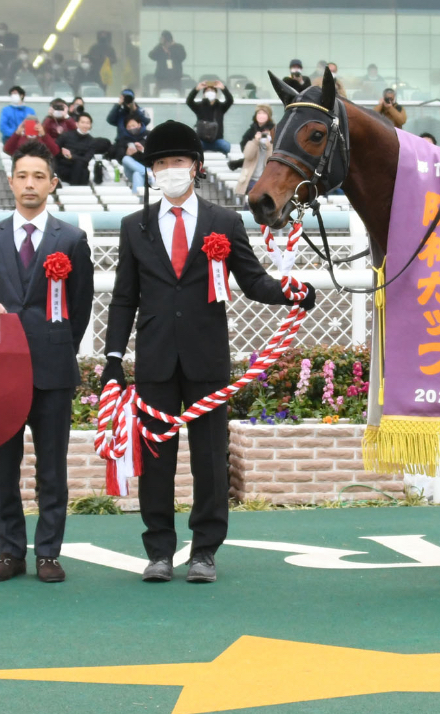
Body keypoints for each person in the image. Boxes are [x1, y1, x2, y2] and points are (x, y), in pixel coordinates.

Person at [100, 121, 316, 583]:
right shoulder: (133, 227)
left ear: (195, 167)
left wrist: (293, 291)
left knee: (210, 461)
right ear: (152, 172)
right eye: (160, 163)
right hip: (155, 360)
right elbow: (124, 298)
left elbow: (253, 282)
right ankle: (159, 550)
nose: (169, 170)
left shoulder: (224, 222)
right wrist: (113, 359)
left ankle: (204, 552)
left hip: (207, 359)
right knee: (155, 462)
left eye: (177, 161)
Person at [0, 140, 94, 585]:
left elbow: (79, 308)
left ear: (53, 182)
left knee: (51, 466)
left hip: (53, 370)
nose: (30, 183)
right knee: (4, 467)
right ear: (11, 181)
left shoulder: (72, 239)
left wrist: (57, 344)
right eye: (22, 175)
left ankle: (48, 553)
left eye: (39, 176)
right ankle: (9, 551)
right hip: (0, 374)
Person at [234, 105, 275, 193]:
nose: (261, 115)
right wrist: (255, 141)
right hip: (250, 176)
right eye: (259, 113)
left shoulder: (274, 131)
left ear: (269, 116)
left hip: (267, 177)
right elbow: (247, 155)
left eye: (264, 113)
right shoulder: (250, 132)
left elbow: (272, 157)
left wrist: (269, 144)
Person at [187, 79, 233, 155]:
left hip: (217, 141)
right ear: (204, 94)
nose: (210, 93)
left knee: (226, 146)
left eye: (212, 91)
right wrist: (197, 89)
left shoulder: (221, 107)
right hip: (202, 141)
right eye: (207, 91)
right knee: (193, 145)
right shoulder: (199, 106)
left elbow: (230, 100)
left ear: (216, 93)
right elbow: (189, 101)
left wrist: (223, 88)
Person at [56, 111, 101, 185]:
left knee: (80, 166)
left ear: (90, 125)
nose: (85, 125)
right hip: (65, 168)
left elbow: (86, 159)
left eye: (87, 123)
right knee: (80, 166)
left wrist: (71, 157)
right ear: (77, 124)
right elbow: (56, 150)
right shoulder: (66, 135)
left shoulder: (92, 141)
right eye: (82, 122)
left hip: (80, 170)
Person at [113, 113, 150, 195]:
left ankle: (136, 199)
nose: (131, 128)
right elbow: (119, 157)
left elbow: (154, 156)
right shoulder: (123, 138)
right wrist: (127, 154)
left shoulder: (149, 135)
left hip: (147, 167)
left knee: (137, 174)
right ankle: (147, 173)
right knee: (126, 159)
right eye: (129, 127)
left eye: (133, 125)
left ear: (139, 124)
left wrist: (143, 150)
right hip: (130, 170)